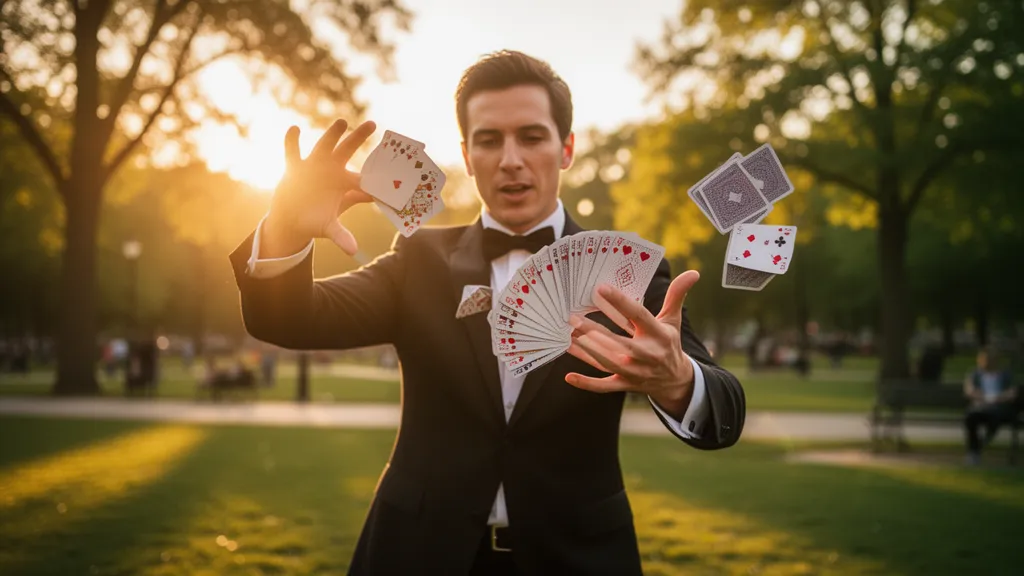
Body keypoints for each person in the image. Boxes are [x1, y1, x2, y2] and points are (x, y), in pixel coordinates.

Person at [229, 50, 745, 575]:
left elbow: (724, 411)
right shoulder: (417, 261)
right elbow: (289, 318)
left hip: (579, 559)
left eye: (532, 136)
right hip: (418, 555)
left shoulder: (625, 268)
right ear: (466, 154)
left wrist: (680, 380)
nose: (511, 159)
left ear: (566, 149)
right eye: (489, 140)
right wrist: (285, 230)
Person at [962, 348, 1017, 465]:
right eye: (985, 360)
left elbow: (1012, 393)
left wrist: (998, 398)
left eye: (991, 360)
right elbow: (969, 390)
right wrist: (979, 397)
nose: (987, 362)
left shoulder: (1005, 375)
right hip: (981, 406)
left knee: (995, 416)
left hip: (999, 406)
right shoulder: (975, 374)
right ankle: (973, 452)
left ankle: (981, 443)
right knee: (970, 417)